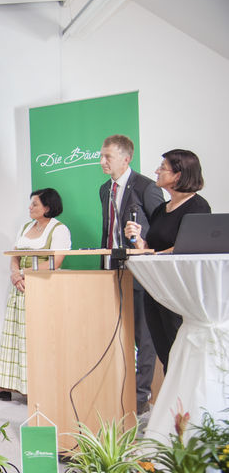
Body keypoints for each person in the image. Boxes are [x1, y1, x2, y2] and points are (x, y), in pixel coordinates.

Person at [0, 188, 71, 401]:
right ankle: (4, 387)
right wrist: (15, 275)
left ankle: (39, 388)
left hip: (43, 288)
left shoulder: (59, 230)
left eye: (35, 204)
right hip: (21, 287)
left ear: (48, 207)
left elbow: (55, 262)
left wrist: (24, 274)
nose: (30, 208)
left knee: (38, 337)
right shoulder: (26, 227)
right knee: (14, 335)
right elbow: (15, 254)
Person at [124, 149, 211, 373]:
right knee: (165, 351)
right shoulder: (162, 209)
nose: (156, 171)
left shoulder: (198, 207)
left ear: (178, 175)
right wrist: (138, 241)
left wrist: (156, 254)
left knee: (181, 350)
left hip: (180, 290)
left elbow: (188, 247)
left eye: (162, 168)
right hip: (157, 288)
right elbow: (153, 249)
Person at [98, 135, 164, 414]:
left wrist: (140, 237)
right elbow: (108, 230)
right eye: (101, 156)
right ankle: (117, 391)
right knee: (114, 333)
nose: (102, 162)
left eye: (108, 157)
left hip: (140, 272)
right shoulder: (104, 189)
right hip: (113, 269)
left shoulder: (146, 187)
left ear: (126, 159)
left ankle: (140, 398)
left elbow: (161, 233)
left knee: (143, 337)